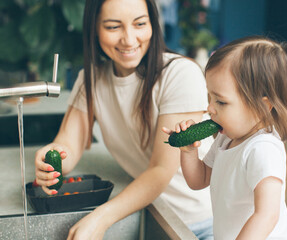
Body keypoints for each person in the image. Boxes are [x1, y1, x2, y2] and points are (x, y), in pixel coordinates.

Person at [34, 0, 214, 239]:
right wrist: (49, 160)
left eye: (140, 24)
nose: (129, 39)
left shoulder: (180, 75)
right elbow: (68, 144)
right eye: (112, 27)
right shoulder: (91, 79)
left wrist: (100, 218)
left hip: (203, 221)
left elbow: (161, 169)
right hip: (152, 210)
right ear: (94, 28)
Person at [163, 36, 287, 239]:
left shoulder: (263, 149)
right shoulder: (226, 138)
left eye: (221, 102)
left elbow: (267, 215)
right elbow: (199, 180)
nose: (209, 108)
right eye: (209, 97)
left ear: (263, 107)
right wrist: (189, 151)